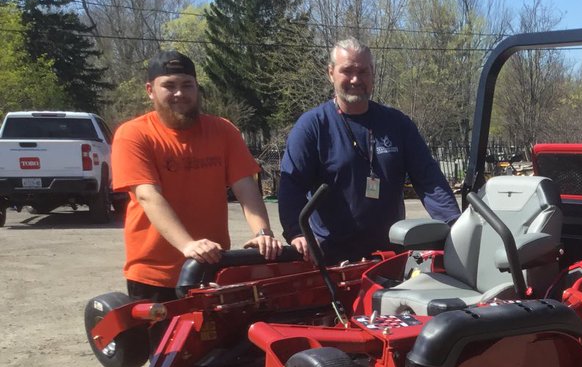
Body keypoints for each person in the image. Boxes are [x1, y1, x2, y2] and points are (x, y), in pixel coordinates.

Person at [112, 50, 283, 302]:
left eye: (187, 85)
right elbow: (148, 196)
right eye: (169, 86)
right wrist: (187, 245)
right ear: (150, 90)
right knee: (162, 342)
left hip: (210, 269)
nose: (179, 93)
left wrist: (262, 234)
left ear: (197, 88)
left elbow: (245, 187)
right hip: (156, 276)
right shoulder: (134, 135)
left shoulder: (223, 131)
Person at [277, 38, 459, 262]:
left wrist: (454, 223)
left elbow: (429, 180)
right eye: (347, 71)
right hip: (331, 260)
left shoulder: (397, 124)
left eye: (363, 71)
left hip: (389, 257)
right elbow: (291, 186)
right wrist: (296, 232)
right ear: (331, 73)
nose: (356, 79)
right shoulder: (312, 126)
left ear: (372, 73)